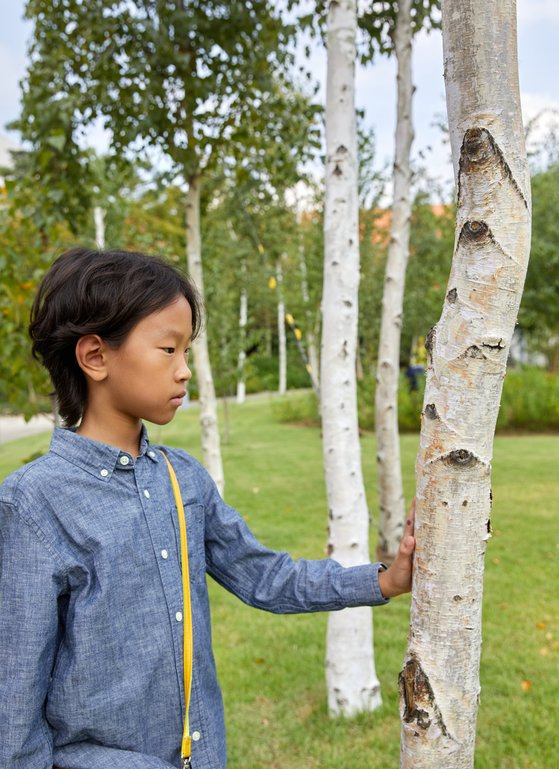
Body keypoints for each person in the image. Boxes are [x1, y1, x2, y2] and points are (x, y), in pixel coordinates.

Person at [0, 248, 415, 769]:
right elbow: (14, 701)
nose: (185, 372)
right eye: (168, 350)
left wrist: (385, 580)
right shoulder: (33, 503)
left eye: (186, 352)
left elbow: (264, 576)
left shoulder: (183, 479)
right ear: (96, 357)